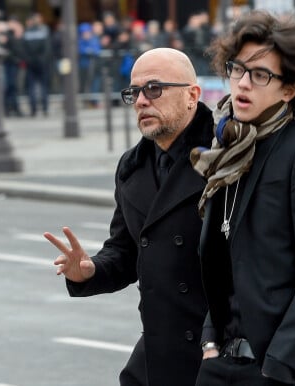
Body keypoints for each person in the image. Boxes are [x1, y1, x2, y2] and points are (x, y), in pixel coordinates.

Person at [190, 11, 295, 386]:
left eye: (260, 75)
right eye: (237, 69)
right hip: (221, 359)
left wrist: (277, 362)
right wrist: (211, 338)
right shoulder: (228, 147)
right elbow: (224, 257)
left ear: (289, 89)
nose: (243, 84)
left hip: (277, 368)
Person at [44, 47, 214, 386]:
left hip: (217, 349)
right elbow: (125, 250)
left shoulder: (225, 156)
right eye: (133, 92)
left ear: (192, 95)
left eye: (154, 89)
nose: (140, 101)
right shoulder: (132, 166)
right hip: (158, 347)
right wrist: (89, 270)